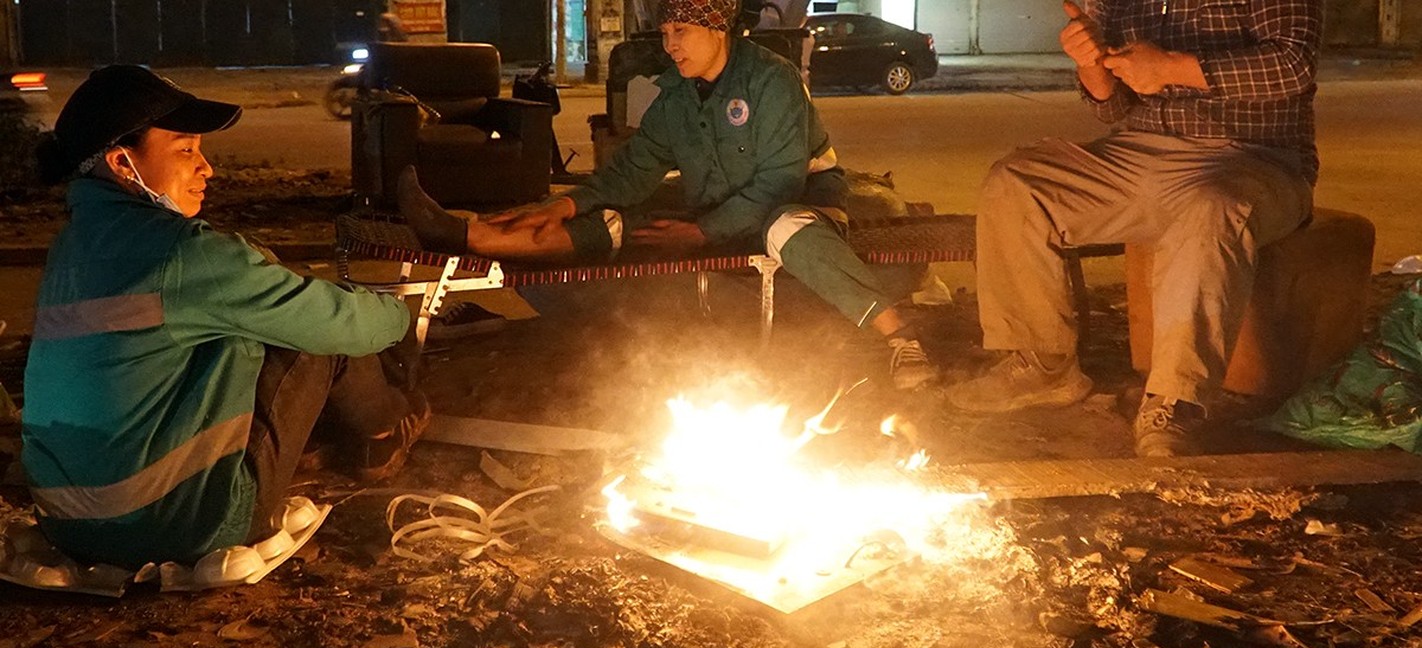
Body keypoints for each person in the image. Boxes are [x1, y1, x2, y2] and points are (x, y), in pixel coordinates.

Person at [397, 0, 937, 390]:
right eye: (666, 31)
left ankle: (900, 335)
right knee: (615, 220)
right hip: (713, 204)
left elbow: (777, 182)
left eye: (681, 29)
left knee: (785, 228)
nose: (670, 43)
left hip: (798, 201)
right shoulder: (677, 95)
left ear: (717, 27)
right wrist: (569, 203)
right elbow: (634, 169)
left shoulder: (771, 80)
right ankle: (466, 233)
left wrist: (701, 232)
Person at [23, 65, 431, 571]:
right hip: (180, 527)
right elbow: (339, 322)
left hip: (68, 525)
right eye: (186, 149)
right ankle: (382, 433)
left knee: (248, 326)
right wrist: (399, 315)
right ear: (122, 163)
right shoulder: (181, 252)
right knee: (318, 334)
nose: (206, 168)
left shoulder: (70, 247)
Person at [946, 0, 1320, 457]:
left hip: (1253, 157)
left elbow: (1293, 65)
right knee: (1018, 184)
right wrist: (1090, 63)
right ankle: (1043, 364)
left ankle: (1174, 401)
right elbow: (1109, 107)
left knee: (1210, 208)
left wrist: (1172, 68)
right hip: (1140, 155)